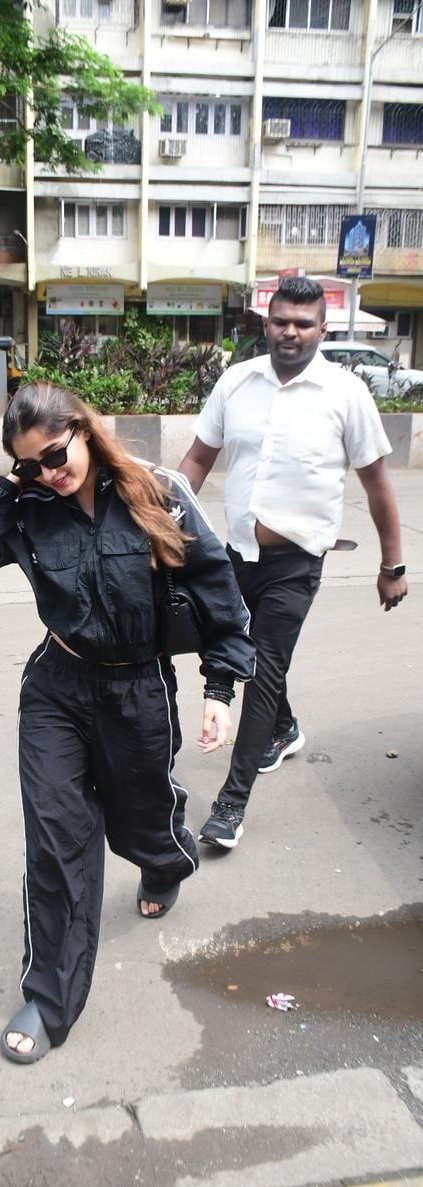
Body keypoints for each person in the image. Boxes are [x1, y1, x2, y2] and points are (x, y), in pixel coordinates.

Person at [0, 381, 255, 1064]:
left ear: (84, 429)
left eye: (56, 454)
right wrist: (11, 482)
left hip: (136, 688)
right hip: (57, 685)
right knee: (56, 838)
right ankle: (51, 998)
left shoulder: (156, 490)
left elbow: (217, 590)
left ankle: (163, 860)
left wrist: (220, 689)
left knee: (138, 814)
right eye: (33, 465)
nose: (50, 474)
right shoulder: (29, 507)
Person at [178, 274, 408, 853]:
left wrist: (393, 565)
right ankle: (283, 728)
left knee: (264, 669)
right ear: (267, 321)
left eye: (304, 324)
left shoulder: (345, 393)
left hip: (296, 563)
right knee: (232, 649)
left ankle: (231, 806)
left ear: (322, 329)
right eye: (281, 320)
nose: (291, 332)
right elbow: (199, 458)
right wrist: (164, 521)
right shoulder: (236, 383)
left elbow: (377, 483)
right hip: (234, 553)